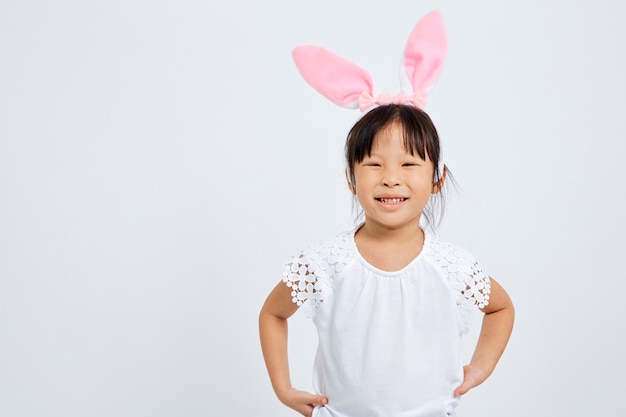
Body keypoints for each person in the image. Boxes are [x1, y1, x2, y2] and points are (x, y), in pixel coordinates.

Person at [259, 10, 514, 417]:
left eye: (409, 165)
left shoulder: (451, 266)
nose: (391, 179)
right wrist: (284, 389)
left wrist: (480, 367)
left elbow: (501, 308)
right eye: (374, 164)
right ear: (351, 178)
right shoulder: (326, 262)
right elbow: (273, 313)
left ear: (436, 179)